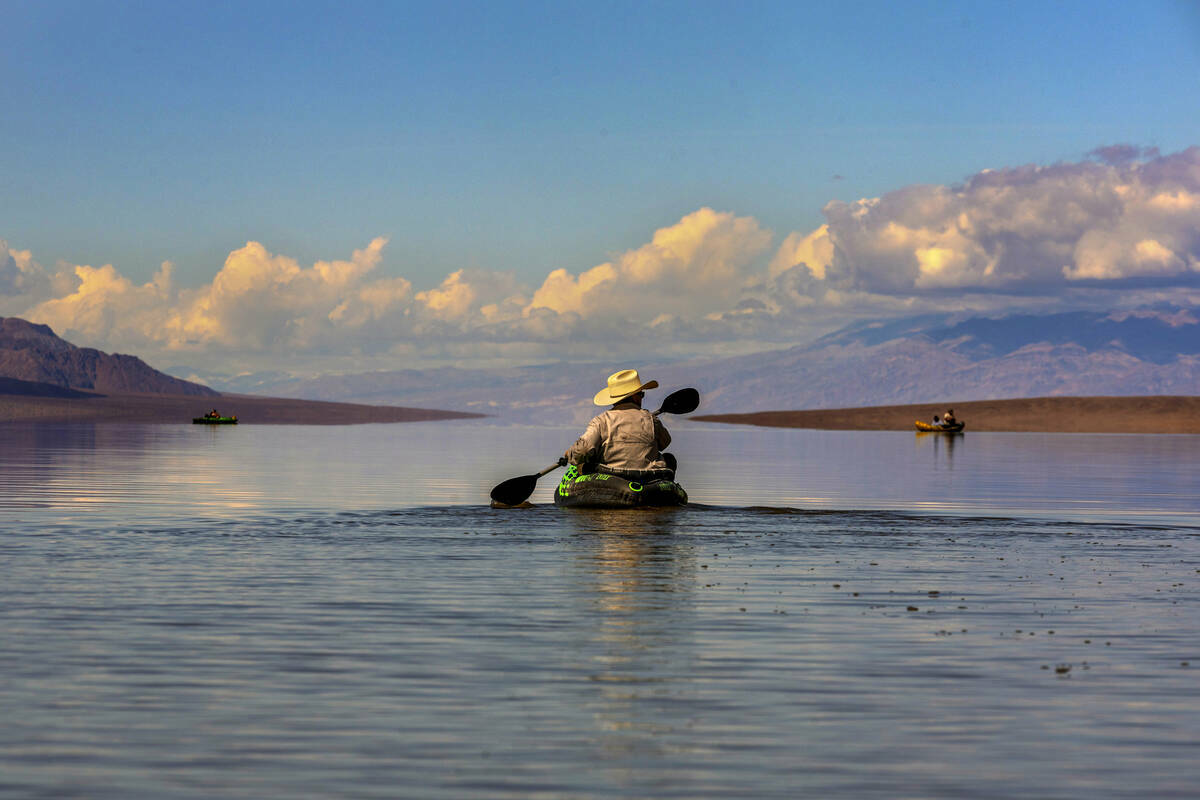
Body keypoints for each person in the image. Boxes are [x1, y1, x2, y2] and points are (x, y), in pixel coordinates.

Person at [561, 369, 674, 481]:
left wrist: (569, 454)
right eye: (641, 394)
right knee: (669, 459)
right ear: (634, 396)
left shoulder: (601, 421)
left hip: (611, 475)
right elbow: (665, 443)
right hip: (648, 476)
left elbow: (582, 451)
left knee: (582, 463)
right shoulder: (652, 420)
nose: (642, 398)